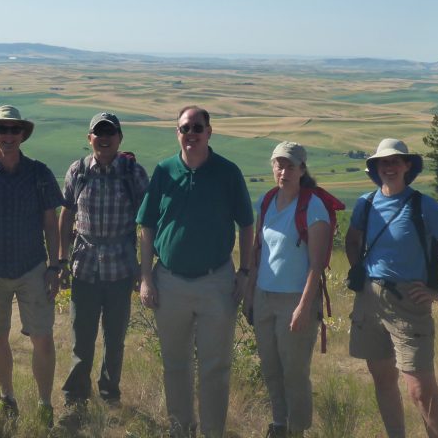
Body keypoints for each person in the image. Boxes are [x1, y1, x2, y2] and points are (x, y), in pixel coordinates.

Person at [137, 105, 255, 437]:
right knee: (175, 365)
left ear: (209, 132)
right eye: (185, 128)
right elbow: (146, 226)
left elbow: (247, 225)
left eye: (197, 128)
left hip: (216, 282)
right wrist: (146, 277)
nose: (191, 134)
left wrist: (244, 272)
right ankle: (180, 428)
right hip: (169, 282)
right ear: (177, 133)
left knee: (215, 367)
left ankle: (213, 432)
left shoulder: (227, 172)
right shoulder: (164, 171)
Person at [344, 138, 438, 438]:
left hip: (408, 304)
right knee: (383, 379)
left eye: (394, 161)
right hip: (369, 298)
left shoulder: (422, 205)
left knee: (419, 390)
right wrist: (358, 270)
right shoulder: (366, 203)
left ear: (406, 166)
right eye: (382, 162)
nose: (388, 167)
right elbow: (352, 240)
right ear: (375, 168)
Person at [0, 105, 64, 428]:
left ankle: (45, 404)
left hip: (32, 267)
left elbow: (51, 223)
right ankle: (8, 399)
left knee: (43, 338)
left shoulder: (39, 173)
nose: (7, 136)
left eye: (13, 130)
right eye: (1, 130)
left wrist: (55, 265)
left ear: (22, 135)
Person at [57, 111, 149, 418]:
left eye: (111, 132)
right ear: (90, 139)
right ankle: (75, 396)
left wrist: (143, 268)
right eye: (99, 132)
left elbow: (147, 221)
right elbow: (66, 214)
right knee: (81, 337)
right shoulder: (78, 171)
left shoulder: (133, 173)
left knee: (114, 338)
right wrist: (61, 259)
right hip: (84, 268)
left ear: (120, 138)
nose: (105, 138)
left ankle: (110, 394)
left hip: (120, 269)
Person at [244, 142, 330, 438]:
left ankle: (297, 429)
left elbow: (316, 265)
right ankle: (279, 424)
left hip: (296, 298)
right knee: (271, 368)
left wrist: (304, 307)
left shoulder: (314, 207)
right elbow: (258, 251)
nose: (283, 171)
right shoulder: (266, 201)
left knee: (294, 372)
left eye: (291, 166)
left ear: (302, 169)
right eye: (279, 165)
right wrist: (249, 294)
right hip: (264, 296)